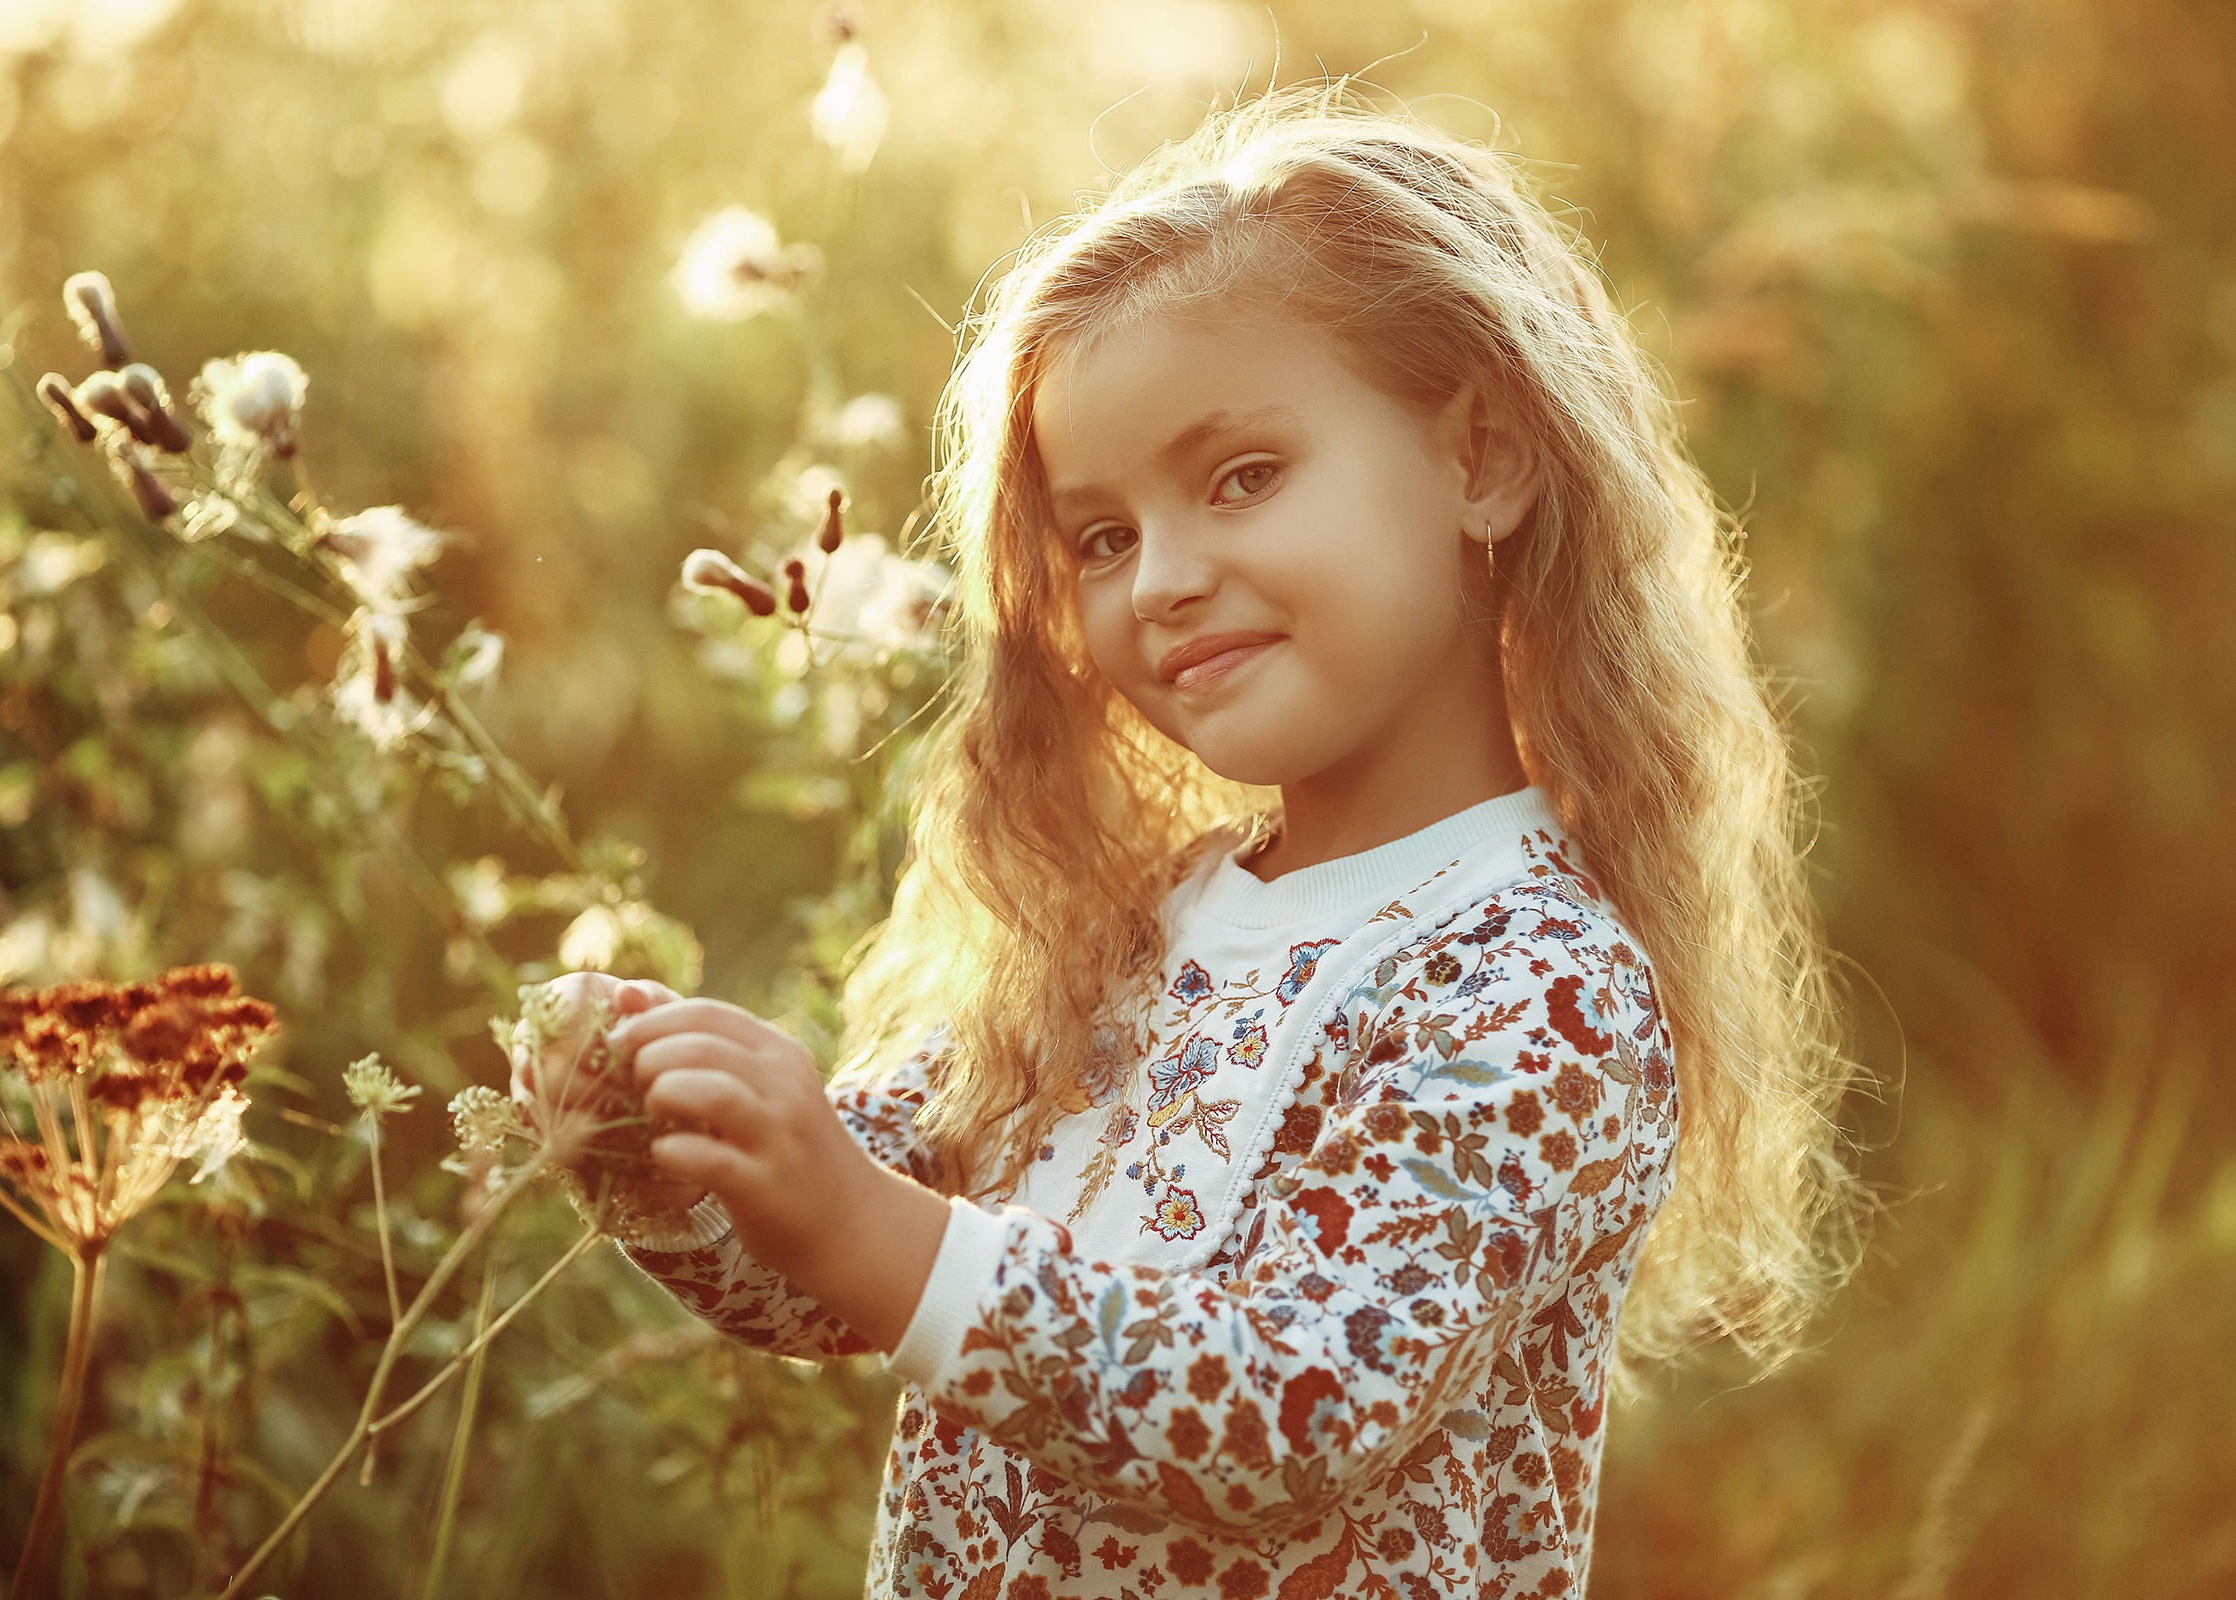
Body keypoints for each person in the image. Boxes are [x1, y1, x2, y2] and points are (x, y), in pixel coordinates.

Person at [515, 83, 1860, 1600]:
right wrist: (673, 1148)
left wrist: (854, 1214)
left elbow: (1292, 1408)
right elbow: (840, 1254)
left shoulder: (1537, 989)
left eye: (1241, 480)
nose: (1158, 580)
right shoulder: (1138, 927)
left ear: (1482, 457)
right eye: (1102, 537)